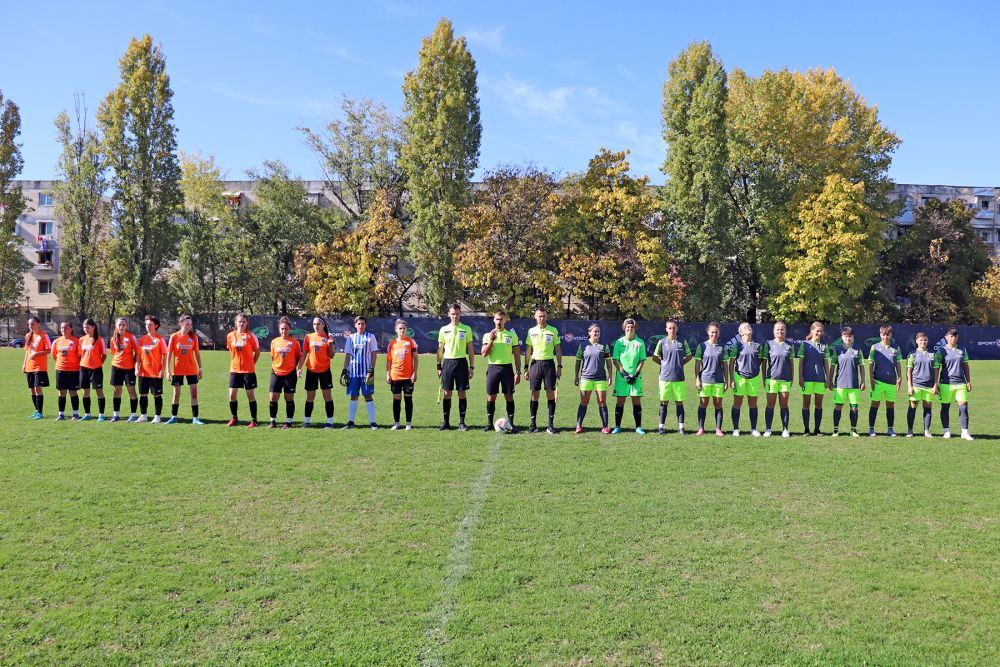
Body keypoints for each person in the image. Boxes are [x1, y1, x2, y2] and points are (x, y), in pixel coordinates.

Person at [437, 304, 475, 431]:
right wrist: (438, 366)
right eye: (453, 314)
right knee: (447, 393)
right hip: (447, 363)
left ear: (460, 314)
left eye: (457, 313)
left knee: (462, 393)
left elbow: (470, 349)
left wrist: (472, 366)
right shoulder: (443, 329)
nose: (455, 316)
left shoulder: (466, 329)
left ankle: (462, 422)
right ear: (449, 314)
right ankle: (446, 422)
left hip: (461, 363)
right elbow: (440, 349)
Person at [525, 306, 562, 434]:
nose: (542, 318)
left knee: (550, 394)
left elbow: (558, 349)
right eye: (539, 316)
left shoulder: (553, 330)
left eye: (544, 316)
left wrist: (559, 366)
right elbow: (528, 350)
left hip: (549, 365)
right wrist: (526, 367)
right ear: (535, 317)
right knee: (534, 394)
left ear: (547, 316)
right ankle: (533, 425)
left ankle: (550, 425)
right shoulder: (531, 331)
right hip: (535, 365)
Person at [480, 311, 518, 432]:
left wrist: (518, 372)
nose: (499, 321)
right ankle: (489, 424)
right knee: (491, 396)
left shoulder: (511, 335)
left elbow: (517, 355)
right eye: (497, 319)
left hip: (507, 368)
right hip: (493, 368)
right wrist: (491, 340)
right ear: (493, 320)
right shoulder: (487, 335)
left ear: (505, 320)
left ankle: (511, 424)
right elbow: (484, 354)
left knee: (509, 396)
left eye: (501, 319)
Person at [652, 319, 692, 435]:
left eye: (674, 328)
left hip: (679, 377)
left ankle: (681, 428)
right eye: (669, 328)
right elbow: (655, 357)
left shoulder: (682, 341)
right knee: (664, 402)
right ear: (666, 329)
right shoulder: (662, 342)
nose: (672, 330)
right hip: (664, 377)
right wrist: (664, 364)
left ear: (677, 329)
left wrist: (680, 363)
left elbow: (689, 356)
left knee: (679, 402)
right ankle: (661, 427)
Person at [935, 327, 974, 440]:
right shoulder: (941, 351)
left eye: (955, 336)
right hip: (945, 384)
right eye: (951, 336)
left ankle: (965, 432)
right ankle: (946, 431)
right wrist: (935, 384)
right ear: (946, 337)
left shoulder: (962, 349)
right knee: (945, 407)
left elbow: (966, 366)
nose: (953, 338)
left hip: (961, 384)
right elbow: (936, 368)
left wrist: (968, 381)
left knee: (963, 408)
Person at [574, 323, 613, 434]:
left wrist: (610, 376)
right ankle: (578, 426)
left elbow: (609, 363)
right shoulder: (583, 345)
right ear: (589, 333)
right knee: (584, 402)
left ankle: (605, 427)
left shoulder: (604, 346)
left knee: (602, 401)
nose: (596, 333)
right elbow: (578, 362)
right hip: (586, 378)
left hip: (600, 378)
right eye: (594, 331)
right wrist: (576, 376)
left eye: (598, 331)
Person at [298, 317, 336, 428]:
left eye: (318, 324)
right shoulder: (308, 337)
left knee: (327, 397)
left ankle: (329, 422)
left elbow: (332, 356)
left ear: (323, 325)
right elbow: (304, 353)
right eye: (314, 324)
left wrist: (330, 346)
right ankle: (307, 422)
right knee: (310, 397)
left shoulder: (329, 338)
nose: (316, 326)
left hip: (325, 371)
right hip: (311, 371)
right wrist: (299, 367)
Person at [342, 315, 379, 429]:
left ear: (365, 325)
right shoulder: (351, 338)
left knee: (368, 396)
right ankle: (351, 422)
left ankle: (373, 422)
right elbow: (347, 355)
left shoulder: (370, 337)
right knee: (353, 396)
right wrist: (344, 370)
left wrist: (371, 369)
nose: (361, 326)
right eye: (359, 324)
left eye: (363, 324)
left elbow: (374, 355)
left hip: (366, 373)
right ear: (355, 325)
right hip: (353, 373)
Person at [166, 315, 204, 425]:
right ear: (180, 323)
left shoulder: (193, 337)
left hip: (191, 370)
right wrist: (168, 371)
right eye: (186, 323)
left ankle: (195, 418)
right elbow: (169, 354)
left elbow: (197, 353)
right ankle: (174, 417)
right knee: (176, 394)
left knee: (194, 394)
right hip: (177, 370)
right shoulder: (174, 337)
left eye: (190, 324)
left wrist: (200, 369)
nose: (189, 326)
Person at [611, 318, 646, 434]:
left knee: (636, 402)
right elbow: (615, 359)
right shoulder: (619, 342)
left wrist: (635, 374)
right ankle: (617, 426)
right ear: (624, 328)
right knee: (620, 402)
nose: (629, 329)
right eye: (627, 327)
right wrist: (623, 373)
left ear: (635, 328)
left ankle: (638, 427)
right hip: (622, 377)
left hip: (636, 377)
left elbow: (642, 360)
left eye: (632, 327)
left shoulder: (640, 342)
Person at [727, 322, 763, 437]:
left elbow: (761, 360)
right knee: (737, 404)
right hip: (739, 377)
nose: (748, 328)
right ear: (741, 332)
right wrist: (732, 379)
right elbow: (731, 363)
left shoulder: (757, 346)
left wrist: (755, 368)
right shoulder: (737, 345)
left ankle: (753, 429)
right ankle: (736, 429)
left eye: (749, 326)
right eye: (745, 327)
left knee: (753, 404)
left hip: (754, 378)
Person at [829, 326, 866, 437]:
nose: (848, 338)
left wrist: (863, 381)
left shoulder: (857, 350)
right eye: (845, 336)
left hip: (854, 385)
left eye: (850, 336)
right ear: (842, 337)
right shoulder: (837, 349)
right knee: (838, 406)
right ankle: (835, 430)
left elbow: (862, 366)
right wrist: (830, 380)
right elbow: (832, 366)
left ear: (852, 337)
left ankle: (853, 430)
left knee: (854, 408)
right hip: (840, 384)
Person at [226, 313, 261, 427]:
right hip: (234, 370)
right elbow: (231, 351)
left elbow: (257, 352)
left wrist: (251, 363)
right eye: (239, 321)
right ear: (235, 323)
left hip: (248, 371)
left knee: (250, 395)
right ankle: (234, 418)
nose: (241, 324)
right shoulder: (230, 336)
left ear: (247, 323)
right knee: (232, 395)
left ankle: (254, 420)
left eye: (243, 322)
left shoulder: (251, 336)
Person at [867, 325, 902, 437]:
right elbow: (871, 363)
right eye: (883, 334)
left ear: (891, 335)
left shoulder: (896, 347)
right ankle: (871, 429)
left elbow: (898, 363)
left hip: (891, 382)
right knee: (875, 405)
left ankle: (890, 430)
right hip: (878, 381)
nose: (885, 337)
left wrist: (900, 377)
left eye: (888, 334)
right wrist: (871, 377)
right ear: (880, 335)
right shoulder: (875, 347)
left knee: (890, 406)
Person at [694, 322, 728, 436]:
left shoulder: (722, 347)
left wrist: (726, 381)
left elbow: (726, 365)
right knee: (703, 404)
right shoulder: (702, 346)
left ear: (719, 333)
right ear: (708, 332)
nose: (714, 334)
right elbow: (697, 364)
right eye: (712, 332)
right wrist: (697, 379)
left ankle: (718, 429)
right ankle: (701, 428)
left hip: (718, 380)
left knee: (718, 404)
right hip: (705, 380)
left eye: (716, 332)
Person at [268, 316, 301, 429]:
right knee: (272, 397)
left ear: (289, 329)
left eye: (286, 329)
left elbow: (298, 357)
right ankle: (272, 421)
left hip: (290, 374)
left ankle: (289, 422)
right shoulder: (274, 342)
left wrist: (291, 367)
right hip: (276, 372)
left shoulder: (295, 342)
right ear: (279, 329)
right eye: (282, 329)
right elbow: (273, 357)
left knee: (289, 398)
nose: (284, 331)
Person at [763, 321, 795, 438]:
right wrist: (763, 378)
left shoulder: (789, 345)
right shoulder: (768, 344)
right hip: (771, 379)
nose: (780, 331)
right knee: (770, 405)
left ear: (785, 332)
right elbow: (764, 363)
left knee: (784, 405)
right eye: (778, 329)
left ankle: (785, 429)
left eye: (782, 330)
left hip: (785, 380)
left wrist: (792, 378)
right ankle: (768, 429)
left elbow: (791, 364)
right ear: (774, 331)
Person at [797, 321, 829, 436]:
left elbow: (826, 364)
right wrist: (800, 376)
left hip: (820, 379)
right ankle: (806, 429)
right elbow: (800, 363)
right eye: (817, 331)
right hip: (807, 379)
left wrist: (828, 377)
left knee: (819, 405)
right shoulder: (804, 345)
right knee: (806, 404)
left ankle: (817, 429)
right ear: (812, 331)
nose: (819, 333)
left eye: (821, 331)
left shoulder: (824, 346)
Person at [387, 319, 419, 430]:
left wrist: (414, 373)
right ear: (396, 330)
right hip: (395, 375)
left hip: (408, 376)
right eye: (400, 328)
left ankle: (408, 423)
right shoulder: (392, 343)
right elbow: (389, 360)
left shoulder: (410, 342)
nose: (402, 330)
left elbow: (415, 358)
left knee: (408, 399)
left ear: (407, 330)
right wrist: (388, 374)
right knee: (396, 399)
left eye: (404, 328)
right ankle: (396, 423)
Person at [906, 332, 939, 438]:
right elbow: (909, 371)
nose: (923, 342)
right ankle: (910, 430)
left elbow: (935, 371)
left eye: (925, 340)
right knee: (912, 408)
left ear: (927, 341)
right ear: (916, 341)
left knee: (927, 409)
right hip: (916, 386)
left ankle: (926, 431)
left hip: (929, 387)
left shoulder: (933, 354)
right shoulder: (912, 354)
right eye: (920, 340)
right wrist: (909, 386)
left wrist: (935, 385)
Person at [136, 315, 168, 423]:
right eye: (146, 324)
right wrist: (137, 368)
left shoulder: (160, 340)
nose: (148, 326)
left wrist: (162, 370)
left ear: (156, 326)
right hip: (143, 373)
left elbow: (165, 356)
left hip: (155, 373)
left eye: (150, 324)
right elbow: (138, 356)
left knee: (157, 395)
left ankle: (157, 417)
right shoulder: (142, 339)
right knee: (143, 394)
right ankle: (143, 416)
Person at [109, 317, 140, 423]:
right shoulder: (113, 338)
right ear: (116, 326)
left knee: (131, 391)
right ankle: (116, 415)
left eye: (123, 325)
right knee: (116, 391)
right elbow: (113, 352)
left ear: (126, 326)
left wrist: (136, 366)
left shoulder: (131, 337)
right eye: (119, 325)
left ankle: (133, 415)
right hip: (116, 367)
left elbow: (137, 352)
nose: (121, 327)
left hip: (129, 368)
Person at [51, 321, 82, 421]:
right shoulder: (57, 341)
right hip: (60, 370)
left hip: (73, 370)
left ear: (71, 329)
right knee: (62, 392)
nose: (63, 329)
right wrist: (61, 364)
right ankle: (61, 414)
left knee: (73, 392)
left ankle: (76, 414)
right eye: (62, 328)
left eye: (66, 327)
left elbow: (80, 355)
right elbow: (54, 355)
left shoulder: (76, 341)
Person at [22, 315, 51, 419]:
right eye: (29, 324)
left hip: (40, 367)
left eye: (32, 324)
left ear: (38, 324)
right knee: (32, 390)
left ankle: (40, 412)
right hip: (29, 366)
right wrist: (24, 364)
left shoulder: (44, 335)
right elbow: (27, 352)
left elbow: (49, 350)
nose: (30, 326)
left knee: (37, 388)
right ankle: (36, 410)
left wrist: (37, 353)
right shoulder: (28, 336)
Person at [78, 318, 107, 421]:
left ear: (93, 327)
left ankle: (101, 415)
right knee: (85, 392)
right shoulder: (81, 339)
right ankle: (87, 414)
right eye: (84, 327)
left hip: (96, 369)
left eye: (88, 327)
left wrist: (98, 364)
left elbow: (104, 355)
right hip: (83, 368)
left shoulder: (99, 339)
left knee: (99, 391)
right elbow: (79, 354)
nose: (85, 329)